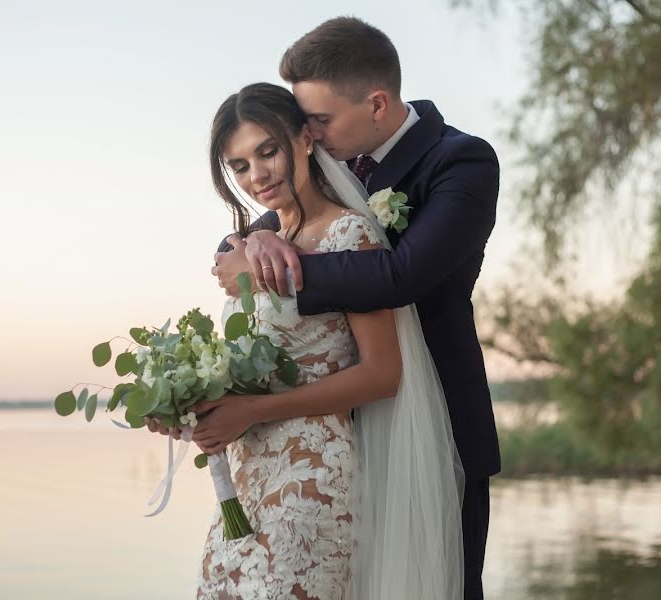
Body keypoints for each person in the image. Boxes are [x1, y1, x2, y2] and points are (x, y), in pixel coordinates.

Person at [211, 17, 500, 600]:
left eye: (317, 120)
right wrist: (250, 244)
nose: (307, 134)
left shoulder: (459, 162)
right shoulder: (325, 176)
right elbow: (260, 231)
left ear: (375, 103)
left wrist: (273, 277)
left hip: (435, 417)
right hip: (323, 444)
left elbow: (401, 274)